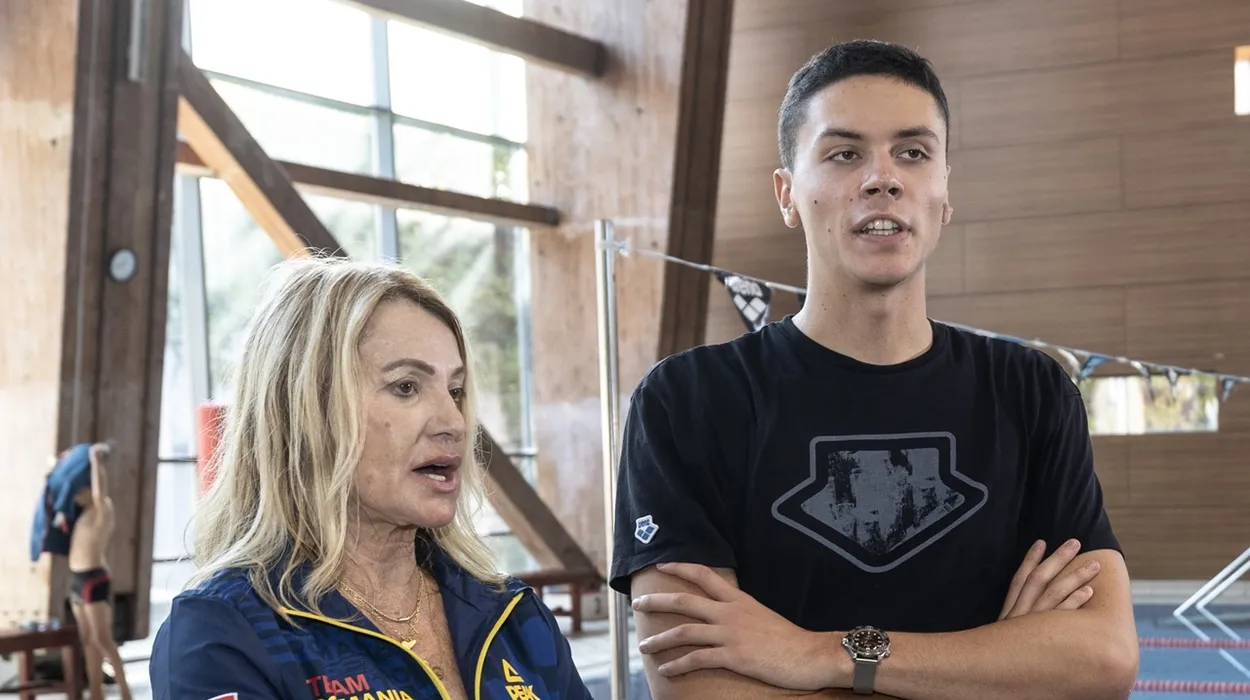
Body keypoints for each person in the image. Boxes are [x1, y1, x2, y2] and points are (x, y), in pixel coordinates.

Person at [609, 39, 1140, 699]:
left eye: (913, 153)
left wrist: (819, 655)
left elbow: (1103, 661)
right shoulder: (689, 400)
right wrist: (998, 670)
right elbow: (700, 691)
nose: (882, 179)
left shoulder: (1029, 392)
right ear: (787, 194)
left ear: (945, 192)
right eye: (844, 154)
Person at [149, 258, 591, 700]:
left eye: (454, 390)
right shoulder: (227, 634)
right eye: (406, 386)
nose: (454, 422)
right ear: (308, 411)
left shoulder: (511, 615)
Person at [59, 442, 133, 700]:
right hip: (77, 579)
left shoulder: (102, 509)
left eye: (82, 488)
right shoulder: (81, 514)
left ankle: (125, 691)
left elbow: (100, 490)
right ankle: (95, 693)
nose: (78, 493)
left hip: (94, 578)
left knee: (102, 639)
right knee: (88, 640)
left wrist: (95, 460)